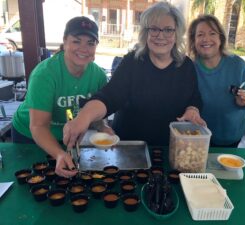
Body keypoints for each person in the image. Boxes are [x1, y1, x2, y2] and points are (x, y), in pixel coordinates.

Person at [63, 2, 206, 151]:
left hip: (171, 149)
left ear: (177, 34)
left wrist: (193, 110)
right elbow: (109, 96)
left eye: (168, 30)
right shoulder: (132, 62)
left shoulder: (186, 65)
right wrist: (84, 117)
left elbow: (194, 97)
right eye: (154, 29)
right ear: (146, 33)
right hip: (129, 148)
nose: (160, 36)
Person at [12, 16, 108, 178]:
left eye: (90, 43)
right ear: (65, 42)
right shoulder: (45, 74)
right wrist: (58, 153)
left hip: (68, 138)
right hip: (30, 136)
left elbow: (94, 112)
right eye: (77, 41)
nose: (84, 49)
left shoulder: (98, 75)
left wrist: (102, 127)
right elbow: (38, 126)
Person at [187, 14, 245, 147]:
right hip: (198, 136)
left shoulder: (238, 65)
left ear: (221, 38)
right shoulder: (189, 68)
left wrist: (244, 102)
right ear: (193, 41)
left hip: (232, 137)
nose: (206, 39)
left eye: (212, 33)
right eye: (200, 34)